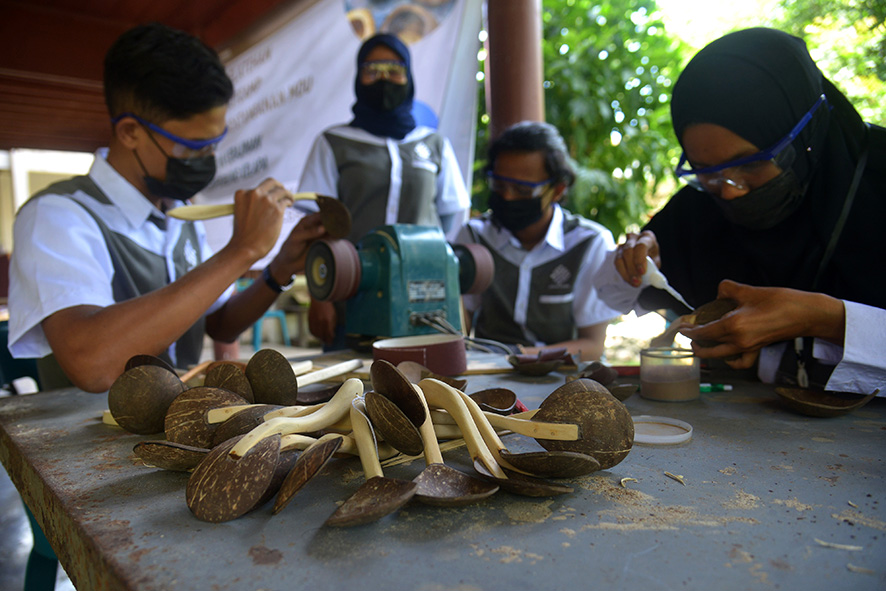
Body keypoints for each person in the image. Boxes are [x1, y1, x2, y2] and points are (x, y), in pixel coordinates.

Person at [7, 23, 327, 393]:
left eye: (214, 142)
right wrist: (242, 250)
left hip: (172, 434)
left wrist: (279, 268)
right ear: (130, 132)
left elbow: (218, 321)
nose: (208, 158)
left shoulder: (181, 215)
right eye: (192, 147)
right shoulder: (56, 217)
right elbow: (92, 362)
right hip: (84, 443)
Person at [615, 28, 886, 395]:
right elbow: (608, 295)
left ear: (806, 135)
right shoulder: (698, 210)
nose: (729, 190)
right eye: (706, 172)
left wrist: (827, 318)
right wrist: (640, 264)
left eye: (750, 164)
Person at [298, 33, 471, 348]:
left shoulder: (432, 143)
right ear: (358, 76)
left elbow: (451, 219)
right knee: (352, 390)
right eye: (372, 70)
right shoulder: (334, 142)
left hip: (423, 301)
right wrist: (319, 297)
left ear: (409, 76)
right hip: (350, 295)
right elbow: (316, 226)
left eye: (394, 70)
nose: (383, 79)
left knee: (427, 391)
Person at [457, 121, 639, 361]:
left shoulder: (588, 243)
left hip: (562, 381)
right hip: (487, 377)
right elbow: (458, 327)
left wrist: (514, 356)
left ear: (557, 190)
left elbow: (592, 345)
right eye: (499, 186)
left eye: (522, 191)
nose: (508, 197)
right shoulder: (473, 236)